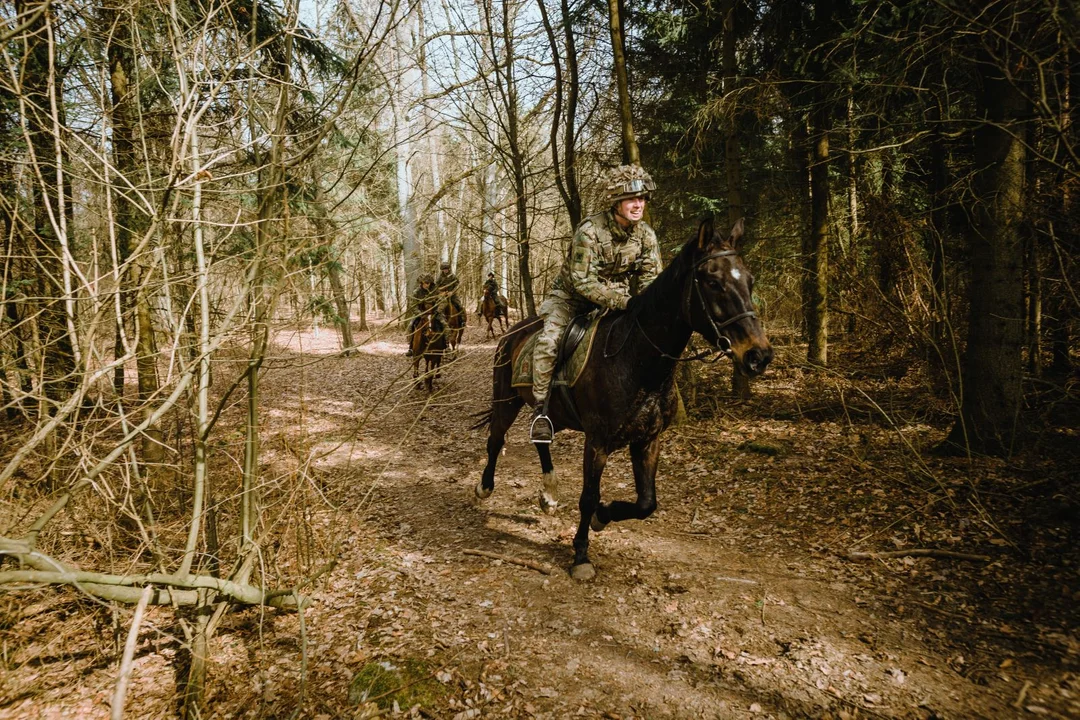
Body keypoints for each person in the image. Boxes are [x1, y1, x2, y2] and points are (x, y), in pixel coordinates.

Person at [529, 164, 663, 443]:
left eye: (641, 199)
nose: (638, 204)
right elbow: (582, 282)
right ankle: (541, 411)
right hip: (571, 300)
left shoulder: (646, 235)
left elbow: (652, 277)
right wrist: (626, 301)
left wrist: (648, 307)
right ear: (616, 201)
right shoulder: (590, 231)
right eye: (630, 199)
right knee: (549, 342)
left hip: (618, 302)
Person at [405, 274, 442, 356]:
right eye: (425, 283)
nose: (426, 285)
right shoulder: (416, 292)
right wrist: (420, 314)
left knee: (443, 324)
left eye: (428, 283)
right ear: (421, 283)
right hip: (421, 313)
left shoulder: (435, 291)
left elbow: (442, 302)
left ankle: (445, 345)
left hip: (434, 313)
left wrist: (438, 310)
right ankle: (411, 348)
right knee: (411, 326)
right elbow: (413, 306)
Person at [435, 261, 465, 326]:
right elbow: (435, 287)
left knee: (459, 305)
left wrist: (452, 292)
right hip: (442, 296)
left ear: (448, 269)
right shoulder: (439, 278)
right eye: (444, 269)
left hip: (452, 295)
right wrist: (440, 293)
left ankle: (462, 320)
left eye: (446, 269)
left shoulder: (453, 276)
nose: (445, 270)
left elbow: (457, 285)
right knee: (434, 306)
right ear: (442, 270)